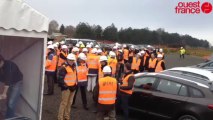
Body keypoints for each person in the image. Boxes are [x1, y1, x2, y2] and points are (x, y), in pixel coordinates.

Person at [0, 54, 23, 119]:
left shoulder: (8, 65)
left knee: (11, 102)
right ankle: (8, 116)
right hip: (8, 82)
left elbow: (8, 81)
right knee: (8, 102)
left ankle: (9, 118)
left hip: (16, 83)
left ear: (1, 61)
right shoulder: (1, 66)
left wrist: (4, 93)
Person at [58, 53, 77, 120]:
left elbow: (75, 76)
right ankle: (60, 118)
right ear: (67, 60)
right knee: (64, 103)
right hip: (66, 88)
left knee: (69, 103)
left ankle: (66, 117)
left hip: (73, 87)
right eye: (70, 60)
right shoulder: (64, 67)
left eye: (72, 60)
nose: (71, 61)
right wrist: (65, 86)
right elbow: (60, 79)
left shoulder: (74, 66)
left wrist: (75, 84)